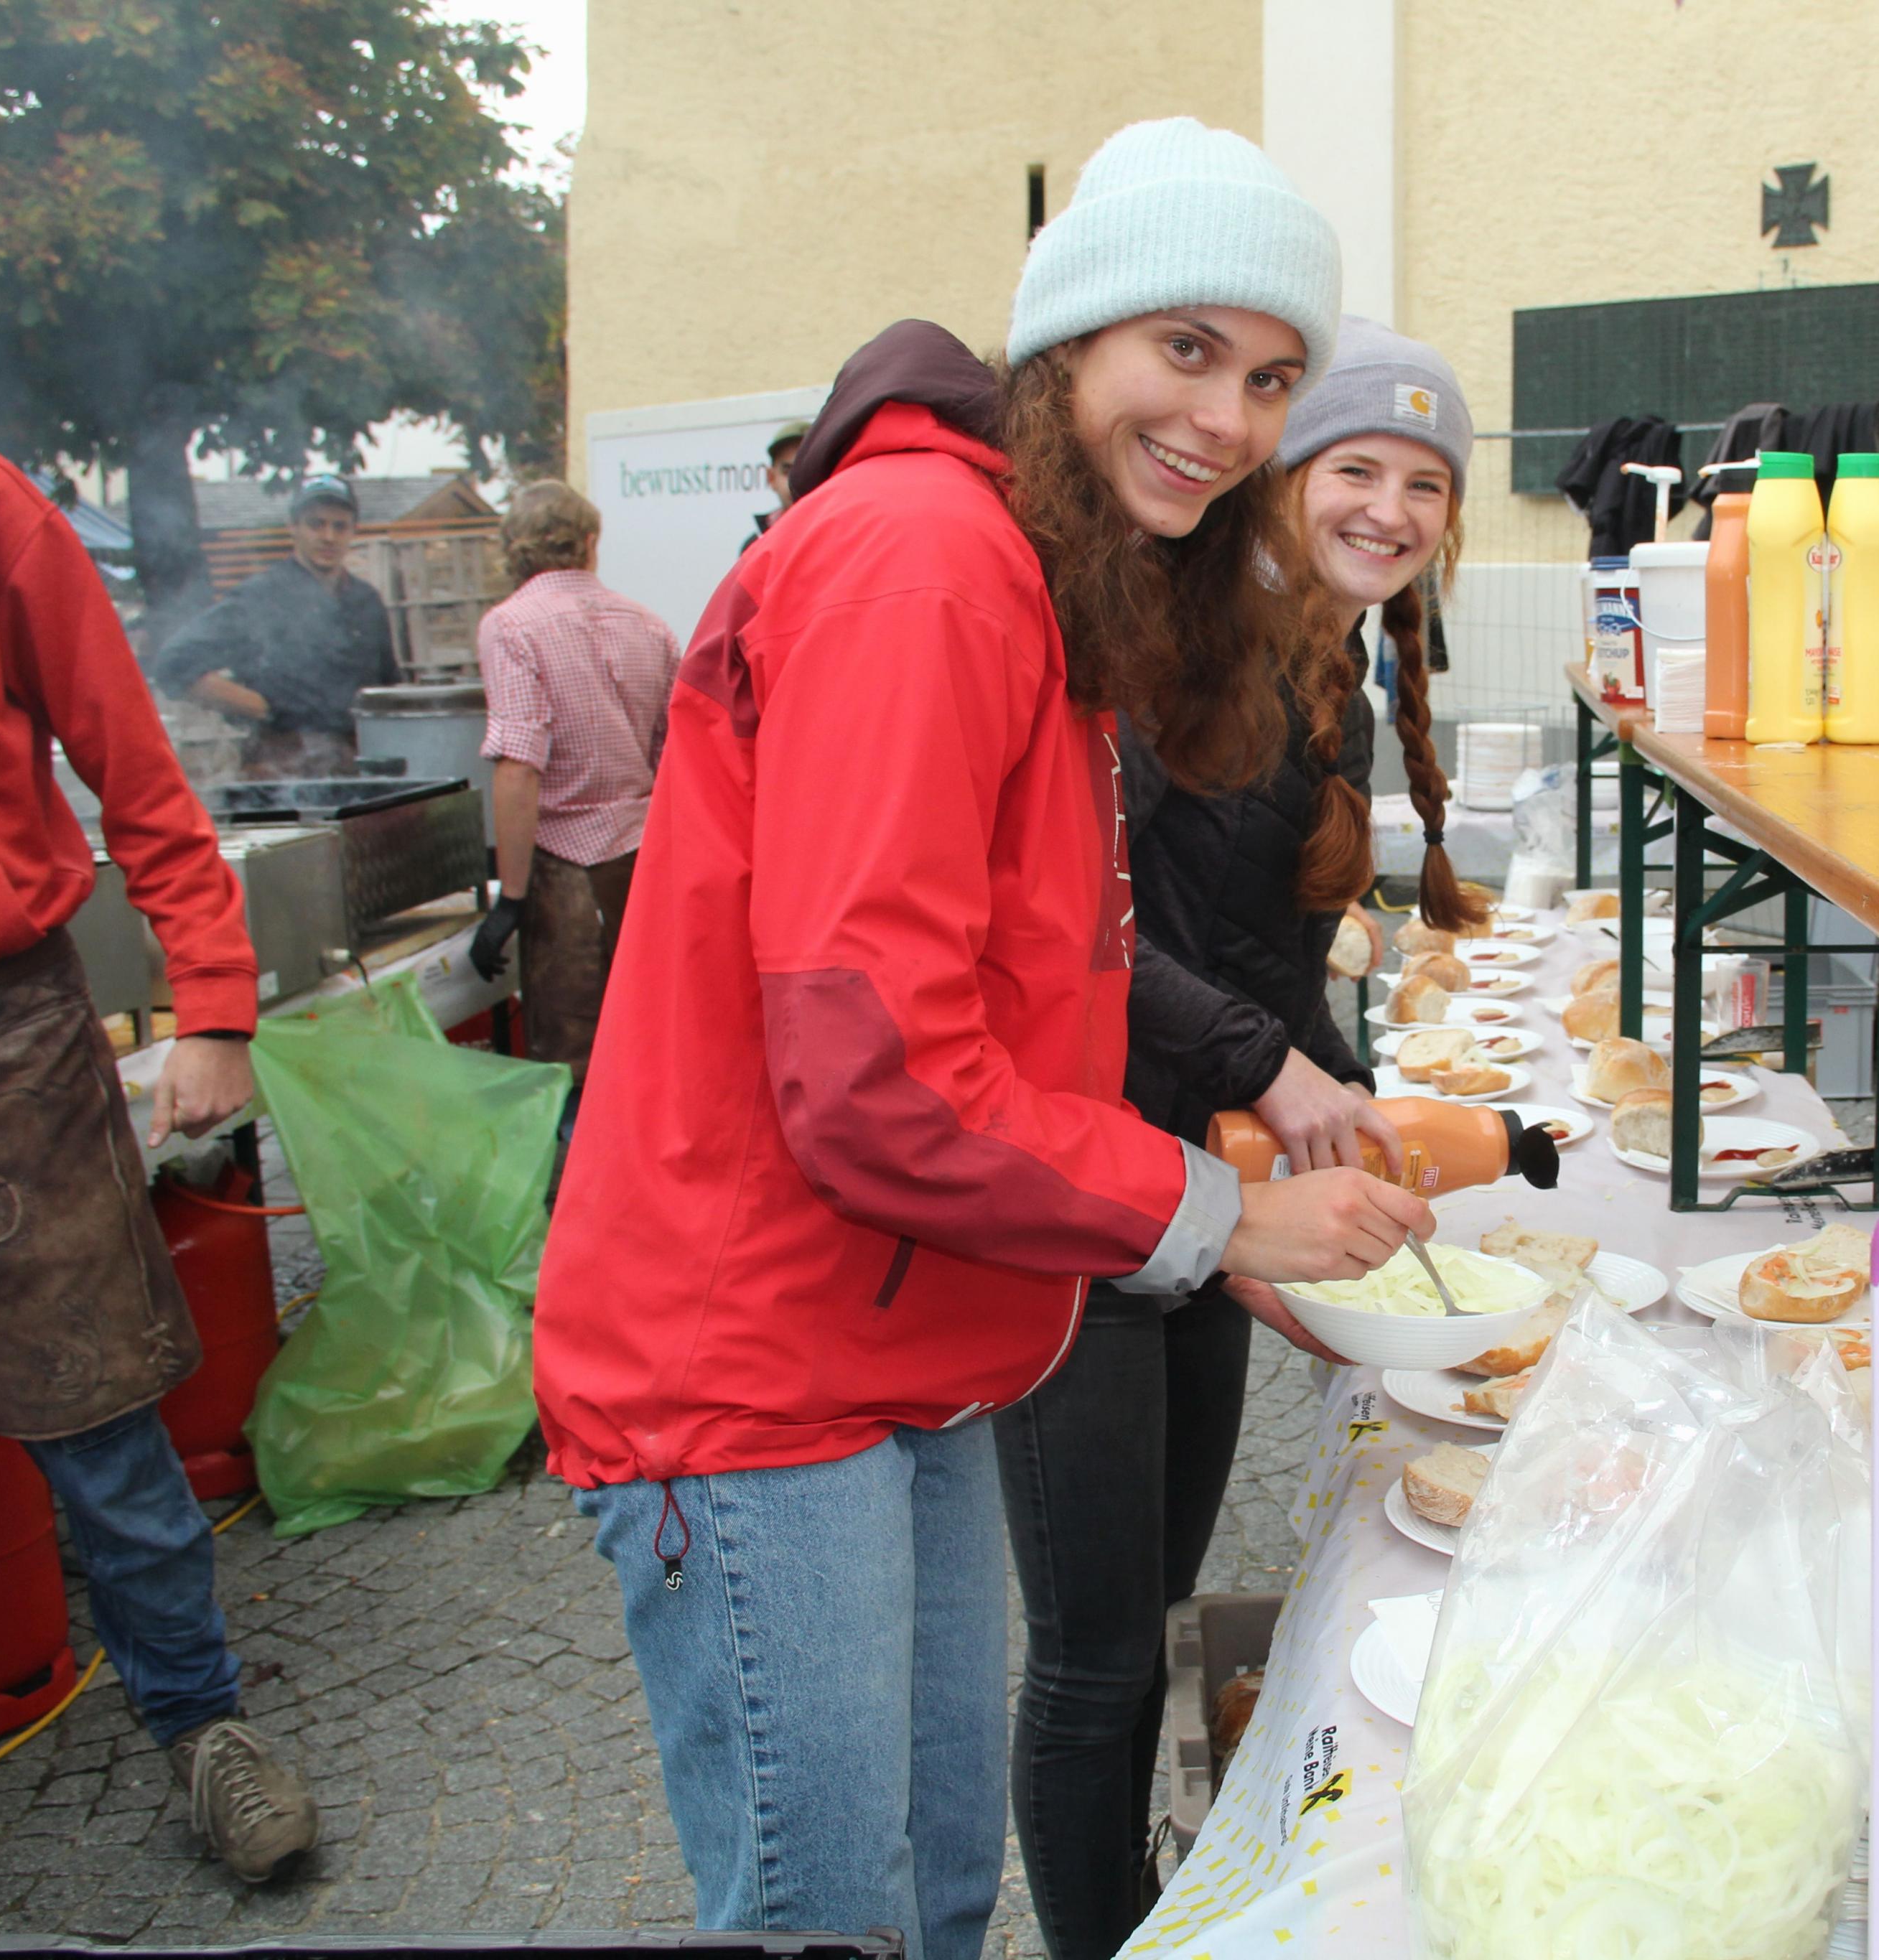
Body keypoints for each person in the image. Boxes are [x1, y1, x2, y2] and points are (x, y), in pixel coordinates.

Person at [530, 118, 1431, 1952]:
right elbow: (880, 1077)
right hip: (755, 1360)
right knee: (828, 1917)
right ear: (1069, 341)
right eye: (1186, 350)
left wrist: (1215, 1222)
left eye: (1269, 379)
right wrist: (1216, 1217)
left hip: (910, 1331)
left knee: (941, 1895)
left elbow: (1032, 1002)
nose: (1228, 421)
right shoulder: (925, 562)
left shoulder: (1037, 572)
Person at [993, 316, 1483, 1959]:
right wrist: (1273, 1066)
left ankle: (1143, 1903)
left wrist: (1350, 1103)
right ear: (1285, 476)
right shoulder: (1175, 656)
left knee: (1157, 1614)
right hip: (1085, 1200)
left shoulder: (1333, 679)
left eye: (1424, 484)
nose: (1388, 510)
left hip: (1203, 1201)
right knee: (1092, 1659)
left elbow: (1264, 959)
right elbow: (1094, 941)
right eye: (1356, 469)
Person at [0, 383, 322, 1907]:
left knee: (97, 1425)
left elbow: (133, 768)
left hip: (5, 1042)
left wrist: (213, 1000)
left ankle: (204, 1727)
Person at [464, 482, 681, 1093]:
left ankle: (578, 1157)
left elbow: (519, 768)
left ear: (514, 549)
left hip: (564, 871)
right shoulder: (650, 625)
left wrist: (510, 900)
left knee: (574, 1061)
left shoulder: (510, 626)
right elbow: (675, 760)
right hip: (645, 862)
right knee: (653, 1040)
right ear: (590, 542)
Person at [150, 475, 401, 778]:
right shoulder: (259, 597)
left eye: (340, 526)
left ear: (353, 531)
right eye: (316, 524)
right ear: (293, 527)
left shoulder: (367, 602)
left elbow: (390, 691)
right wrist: (262, 707)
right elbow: (173, 665)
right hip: (281, 767)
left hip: (359, 764)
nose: (328, 537)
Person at [742, 417, 808, 551]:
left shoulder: (837, 537)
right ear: (771, 478)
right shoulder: (753, 547)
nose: (796, 481)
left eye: (807, 470)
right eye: (787, 471)